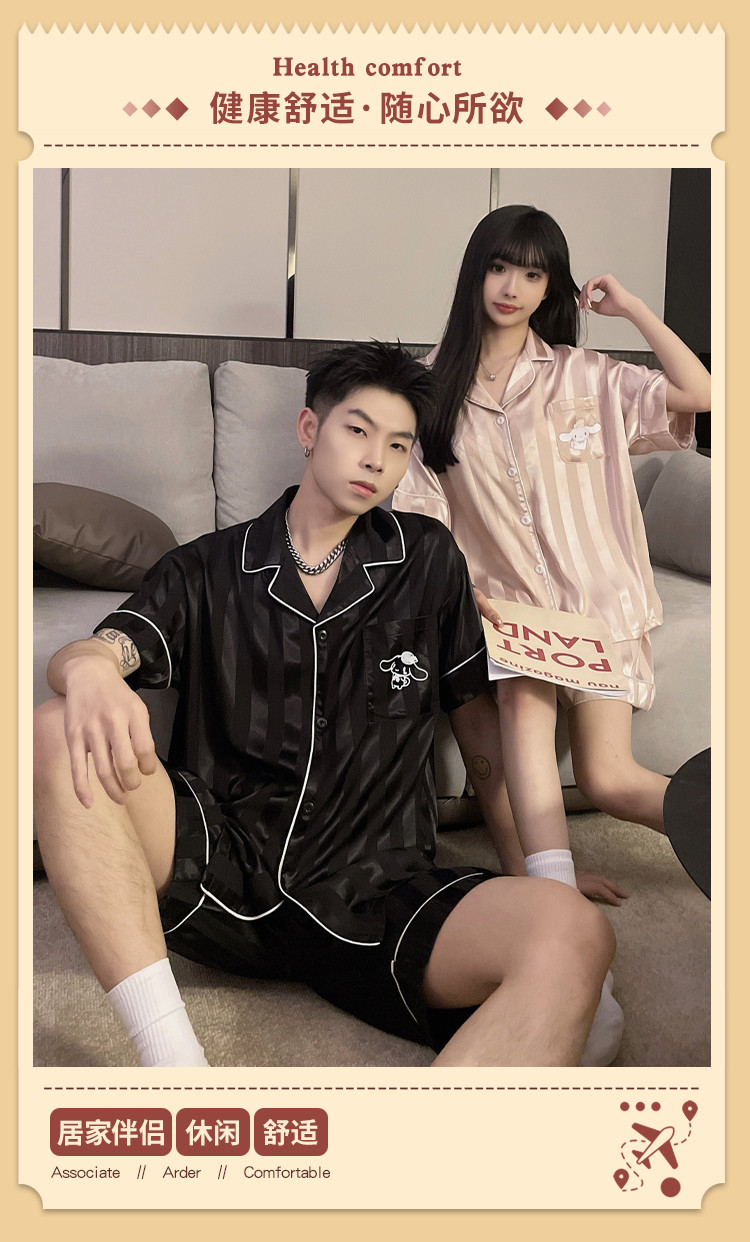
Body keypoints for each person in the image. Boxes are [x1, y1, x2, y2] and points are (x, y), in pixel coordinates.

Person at [33, 341, 615, 1069]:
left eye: (398, 445)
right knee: (54, 724)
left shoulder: (428, 559)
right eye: (358, 430)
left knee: (575, 932)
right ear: (310, 430)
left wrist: (528, 874)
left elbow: (482, 747)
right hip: (223, 867)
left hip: (381, 890)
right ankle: (176, 1069)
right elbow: (95, 652)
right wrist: (89, 670)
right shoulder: (205, 566)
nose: (376, 459)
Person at [392, 206, 711, 1064]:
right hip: (511, 618)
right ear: (476, 271)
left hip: (601, 611)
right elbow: (422, 518)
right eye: (501, 267)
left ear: (550, 288)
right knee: (521, 716)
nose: (512, 287)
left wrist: (633, 308)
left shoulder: (588, 375)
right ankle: (567, 942)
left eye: (533, 273)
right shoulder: (429, 388)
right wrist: (471, 598)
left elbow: (703, 395)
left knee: (609, 780)